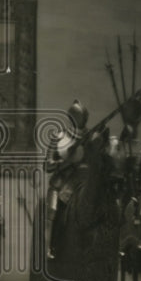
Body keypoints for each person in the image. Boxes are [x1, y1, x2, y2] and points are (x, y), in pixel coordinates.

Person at [44, 100, 89, 259]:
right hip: (63, 181)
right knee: (55, 210)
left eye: (83, 117)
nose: (81, 120)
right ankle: (52, 246)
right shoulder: (60, 136)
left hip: (85, 180)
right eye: (78, 117)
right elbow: (47, 166)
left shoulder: (90, 137)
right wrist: (64, 162)